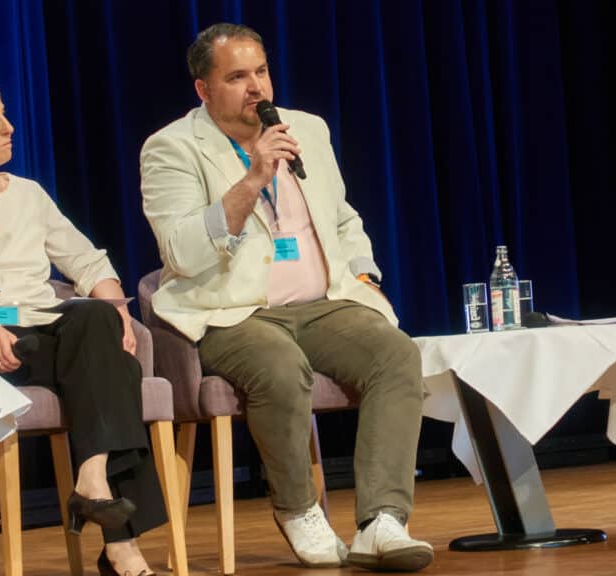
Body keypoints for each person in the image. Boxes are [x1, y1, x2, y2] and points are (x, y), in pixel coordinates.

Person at [140, 23, 433, 572]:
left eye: (261, 72)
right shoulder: (171, 148)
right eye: (237, 77)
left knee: (397, 354)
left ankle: (382, 522)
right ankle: (299, 508)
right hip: (231, 311)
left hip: (323, 303)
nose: (256, 88)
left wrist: (364, 274)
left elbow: (343, 218)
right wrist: (252, 179)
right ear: (204, 90)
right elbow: (181, 252)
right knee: (279, 366)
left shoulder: (308, 130)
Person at [0, 60, 165, 575]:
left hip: (47, 331)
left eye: (4, 115)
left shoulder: (28, 194)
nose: (8, 127)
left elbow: (89, 263)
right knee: (113, 361)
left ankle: (94, 481)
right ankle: (118, 544)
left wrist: (119, 313)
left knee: (99, 318)